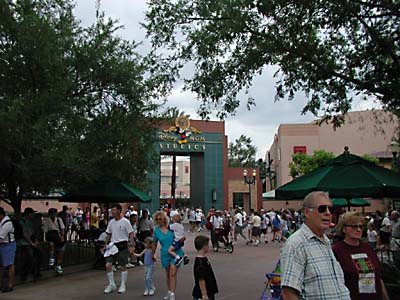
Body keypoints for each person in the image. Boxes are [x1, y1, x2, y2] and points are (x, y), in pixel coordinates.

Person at [280, 191, 350, 300]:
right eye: (322, 209)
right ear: (307, 212)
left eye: (331, 209)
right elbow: (289, 293)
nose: (328, 213)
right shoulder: (296, 244)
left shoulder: (325, 241)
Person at [332, 212, 389, 300]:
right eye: (354, 226)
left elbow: (378, 278)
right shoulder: (336, 250)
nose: (358, 229)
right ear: (343, 229)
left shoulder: (367, 248)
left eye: (361, 226)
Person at [103, 204, 135, 294]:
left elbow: (131, 233)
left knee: (123, 266)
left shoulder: (125, 221)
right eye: (111, 210)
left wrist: (131, 245)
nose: (112, 212)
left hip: (122, 245)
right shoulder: (111, 222)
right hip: (113, 246)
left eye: (114, 210)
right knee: (108, 264)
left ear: (118, 211)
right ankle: (112, 284)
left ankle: (122, 284)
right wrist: (105, 245)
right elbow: (109, 234)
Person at [153, 211, 184, 300]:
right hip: (165, 254)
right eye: (157, 219)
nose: (159, 221)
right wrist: (153, 254)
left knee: (173, 273)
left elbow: (180, 234)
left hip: (176, 252)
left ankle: (172, 294)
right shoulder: (157, 231)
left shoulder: (172, 227)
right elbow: (154, 243)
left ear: (164, 219)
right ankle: (169, 291)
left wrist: (182, 239)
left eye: (161, 219)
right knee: (167, 274)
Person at [17, 207, 41, 281]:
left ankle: (36, 271)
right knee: (30, 257)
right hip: (24, 242)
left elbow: (32, 233)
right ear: (28, 214)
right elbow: (24, 234)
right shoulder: (22, 222)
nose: (33, 215)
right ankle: (26, 273)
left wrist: (35, 241)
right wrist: (31, 243)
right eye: (32, 213)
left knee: (38, 254)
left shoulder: (30, 221)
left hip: (30, 241)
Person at [192, 235, 218, 300]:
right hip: (203, 293)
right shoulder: (200, 263)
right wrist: (204, 294)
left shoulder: (203, 259)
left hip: (209, 290)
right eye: (207, 245)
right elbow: (201, 279)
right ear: (204, 246)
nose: (208, 247)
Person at [43, 208, 65, 275]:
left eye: (54, 213)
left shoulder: (59, 220)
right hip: (51, 235)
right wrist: (44, 239)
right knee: (51, 245)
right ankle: (51, 258)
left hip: (58, 235)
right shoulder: (46, 220)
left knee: (60, 251)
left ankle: (58, 265)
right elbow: (45, 230)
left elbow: (62, 229)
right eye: (51, 213)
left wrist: (62, 236)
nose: (53, 214)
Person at [0, 207, 16, 293]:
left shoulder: (7, 223)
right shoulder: (1, 222)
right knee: (1, 265)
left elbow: (1, 236)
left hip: (8, 245)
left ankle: (10, 284)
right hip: (2, 244)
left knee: (9, 265)